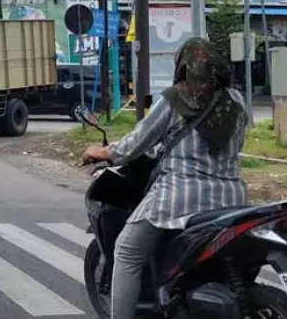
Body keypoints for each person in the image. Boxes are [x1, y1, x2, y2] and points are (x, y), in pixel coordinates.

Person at [82, 37, 249, 319]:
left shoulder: (175, 98)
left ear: (183, 67)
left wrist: (102, 152)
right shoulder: (236, 100)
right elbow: (238, 146)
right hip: (232, 200)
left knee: (126, 252)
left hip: (179, 197)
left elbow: (135, 144)